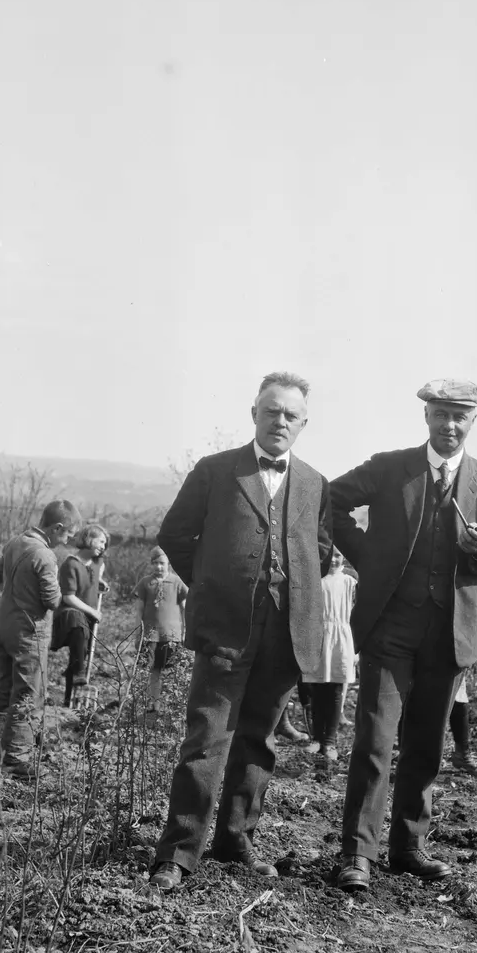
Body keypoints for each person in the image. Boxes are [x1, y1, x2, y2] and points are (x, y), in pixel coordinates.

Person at [329, 379, 477, 892]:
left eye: (459, 416)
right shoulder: (391, 467)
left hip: (449, 632)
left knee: (427, 744)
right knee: (374, 739)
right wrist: (368, 554)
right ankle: (358, 854)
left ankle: (408, 847)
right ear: (427, 418)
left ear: (472, 422)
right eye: (440, 415)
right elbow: (333, 501)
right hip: (390, 626)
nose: (449, 425)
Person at [149, 371, 333, 891]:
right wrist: (212, 586)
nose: (280, 421)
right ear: (254, 413)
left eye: (290, 415)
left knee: (259, 740)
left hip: (287, 632)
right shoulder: (215, 471)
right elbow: (175, 535)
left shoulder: (316, 483)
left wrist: (289, 594)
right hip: (225, 628)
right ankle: (179, 852)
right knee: (208, 740)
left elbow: (319, 552)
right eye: (271, 411)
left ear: (303, 424)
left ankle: (235, 840)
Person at [0, 500, 82, 779]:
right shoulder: (45, 556)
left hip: (3, 625)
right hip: (28, 633)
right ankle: (17, 758)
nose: (67, 540)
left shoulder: (15, 542)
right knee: (27, 693)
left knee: (5, 687)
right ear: (57, 527)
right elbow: (53, 600)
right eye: (67, 534)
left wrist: (18, 588)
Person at [299, 547, 356, 765]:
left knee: (335, 690)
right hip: (319, 637)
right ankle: (316, 738)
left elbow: (356, 613)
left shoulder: (350, 582)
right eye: (330, 555)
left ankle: (330, 741)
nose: (334, 559)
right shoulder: (316, 580)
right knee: (317, 689)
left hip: (341, 638)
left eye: (339, 556)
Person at [52, 524, 110, 707]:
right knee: (77, 625)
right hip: (68, 616)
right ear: (88, 539)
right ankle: (78, 672)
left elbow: (93, 576)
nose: (103, 546)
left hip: (87, 618)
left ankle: (69, 699)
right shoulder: (71, 564)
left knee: (80, 653)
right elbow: (68, 597)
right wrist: (92, 611)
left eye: (105, 543)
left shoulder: (97, 563)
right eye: (100, 541)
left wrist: (99, 581)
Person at [447, 575, 477, 780]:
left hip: (456, 640)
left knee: (459, 698)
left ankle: (462, 754)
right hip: (426, 634)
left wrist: (473, 585)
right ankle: (408, 753)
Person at [134, 546, 188, 720]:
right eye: (155, 563)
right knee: (153, 670)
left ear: (168, 563)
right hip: (151, 635)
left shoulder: (177, 582)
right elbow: (139, 610)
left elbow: (184, 608)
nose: (158, 567)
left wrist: (186, 631)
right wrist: (138, 633)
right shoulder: (145, 583)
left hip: (172, 636)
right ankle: (153, 705)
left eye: (162, 563)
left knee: (171, 671)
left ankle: (170, 705)